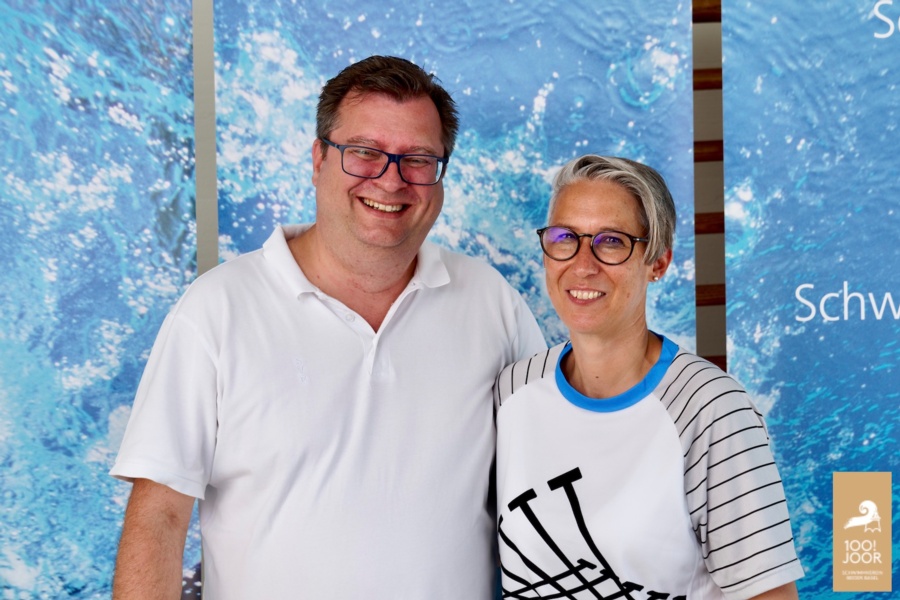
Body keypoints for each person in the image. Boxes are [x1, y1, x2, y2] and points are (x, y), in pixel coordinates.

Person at [110, 55, 546, 599]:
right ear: (318, 160)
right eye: (364, 152)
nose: (391, 180)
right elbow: (160, 518)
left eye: (417, 159)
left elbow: (552, 484)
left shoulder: (493, 305)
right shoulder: (217, 310)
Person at [493, 155, 804, 599]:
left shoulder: (710, 410)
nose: (583, 265)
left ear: (658, 262)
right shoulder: (512, 391)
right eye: (565, 238)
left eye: (611, 242)